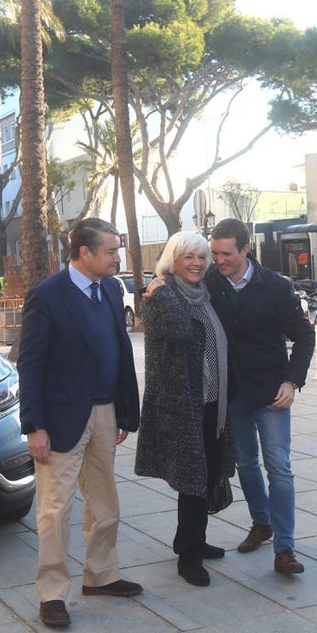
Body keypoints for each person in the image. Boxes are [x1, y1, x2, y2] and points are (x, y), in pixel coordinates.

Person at [17, 217, 142, 629]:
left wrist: (124, 410)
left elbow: (120, 351)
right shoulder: (47, 295)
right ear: (84, 252)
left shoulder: (111, 289)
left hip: (105, 412)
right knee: (56, 509)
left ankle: (101, 575)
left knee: (106, 503)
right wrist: (34, 426)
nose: (117, 257)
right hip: (60, 420)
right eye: (110, 251)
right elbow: (30, 364)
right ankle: (52, 594)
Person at [206, 218, 315, 574]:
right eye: (215, 253)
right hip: (232, 392)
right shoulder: (210, 283)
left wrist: (292, 382)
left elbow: (304, 337)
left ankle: (285, 548)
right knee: (246, 462)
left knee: (279, 467)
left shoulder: (275, 287)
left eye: (226, 254)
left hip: (271, 392)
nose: (219, 260)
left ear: (245, 250)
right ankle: (261, 522)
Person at [136, 232, 235, 587]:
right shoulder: (162, 296)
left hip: (211, 403)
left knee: (205, 477)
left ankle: (192, 539)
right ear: (172, 260)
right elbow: (179, 331)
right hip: (181, 405)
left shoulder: (203, 295)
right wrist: (161, 289)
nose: (197, 263)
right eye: (188, 257)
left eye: (201, 257)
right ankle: (188, 558)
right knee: (193, 482)